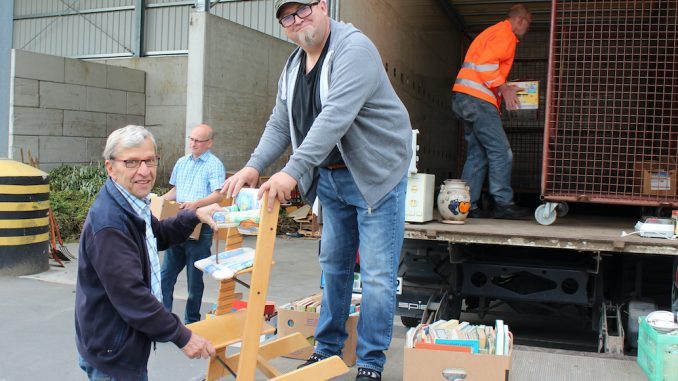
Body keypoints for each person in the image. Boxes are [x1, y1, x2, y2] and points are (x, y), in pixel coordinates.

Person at [221, 1, 412, 379]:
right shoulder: (293, 66)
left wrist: (291, 172)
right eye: (287, 17)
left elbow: (335, 117)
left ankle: (371, 362)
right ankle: (326, 350)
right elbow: (280, 122)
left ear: (323, 6)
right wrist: (253, 166)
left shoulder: (354, 49)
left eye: (303, 9)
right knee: (334, 268)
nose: (297, 21)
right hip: (332, 178)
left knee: (376, 274)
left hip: (375, 174)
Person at [75, 125, 217, 380]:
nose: (144, 171)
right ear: (110, 167)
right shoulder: (111, 222)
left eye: (149, 160)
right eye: (131, 162)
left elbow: (158, 234)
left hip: (118, 341)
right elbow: (131, 295)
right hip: (113, 351)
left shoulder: (130, 201)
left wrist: (193, 215)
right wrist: (182, 335)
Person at [451, 4, 532, 219]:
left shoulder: (492, 32)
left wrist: (500, 90)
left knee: (477, 155)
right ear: (520, 20)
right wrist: (504, 88)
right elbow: (485, 65)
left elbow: (481, 66)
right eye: (528, 24)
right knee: (501, 152)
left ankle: (469, 205)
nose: (527, 29)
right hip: (477, 101)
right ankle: (503, 203)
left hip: (465, 98)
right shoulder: (505, 35)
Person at [160, 123, 225, 324]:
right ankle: (162, 320)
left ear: (209, 143)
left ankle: (192, 322)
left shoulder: (214, 165)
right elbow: (176, 191)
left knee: (194, 280)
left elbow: (218, 195)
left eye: (198, 140)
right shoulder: (182, 162)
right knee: (165, 276)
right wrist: (159, 201)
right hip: (177, 224)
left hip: (200, 226)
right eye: (191, 139)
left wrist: (196, 205)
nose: (193, 143)